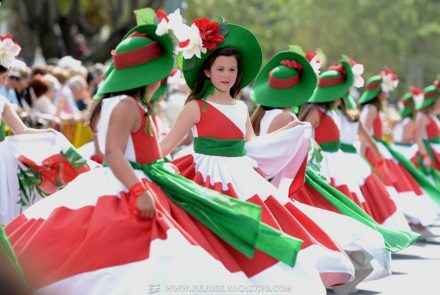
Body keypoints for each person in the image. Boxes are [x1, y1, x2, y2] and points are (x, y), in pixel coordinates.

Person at [5, 22, 326, 295]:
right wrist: (140, 187)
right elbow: (119, 153)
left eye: (232, 70)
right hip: (136, 182)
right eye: (220, 68)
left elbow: (155, 148)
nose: (161, 79)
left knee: (171, 247)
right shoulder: (131, 106)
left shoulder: (136, 106)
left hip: (154, 178)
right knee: (145, 249)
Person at [162, 17, 362, 290]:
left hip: (240, 175)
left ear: (238, 74)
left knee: (259, 228)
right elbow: (168, 144)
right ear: (207, 72)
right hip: (202, 176)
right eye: (220, 68)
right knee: (211, 234)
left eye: (232, 69)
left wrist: (290, 133)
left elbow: (254, 145)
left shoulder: (241, 108)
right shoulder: (196, 107)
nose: (226, 75)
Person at [359, 71, 439, 236]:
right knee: (390, 184)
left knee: (391, 184)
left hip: (376, 149)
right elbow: (364, 132)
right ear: (378, 92)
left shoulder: (371, 108)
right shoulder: (372, 108)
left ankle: (403, 220)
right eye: (386, 90)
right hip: (374, 151)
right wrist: (362, 155)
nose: (388, 94)